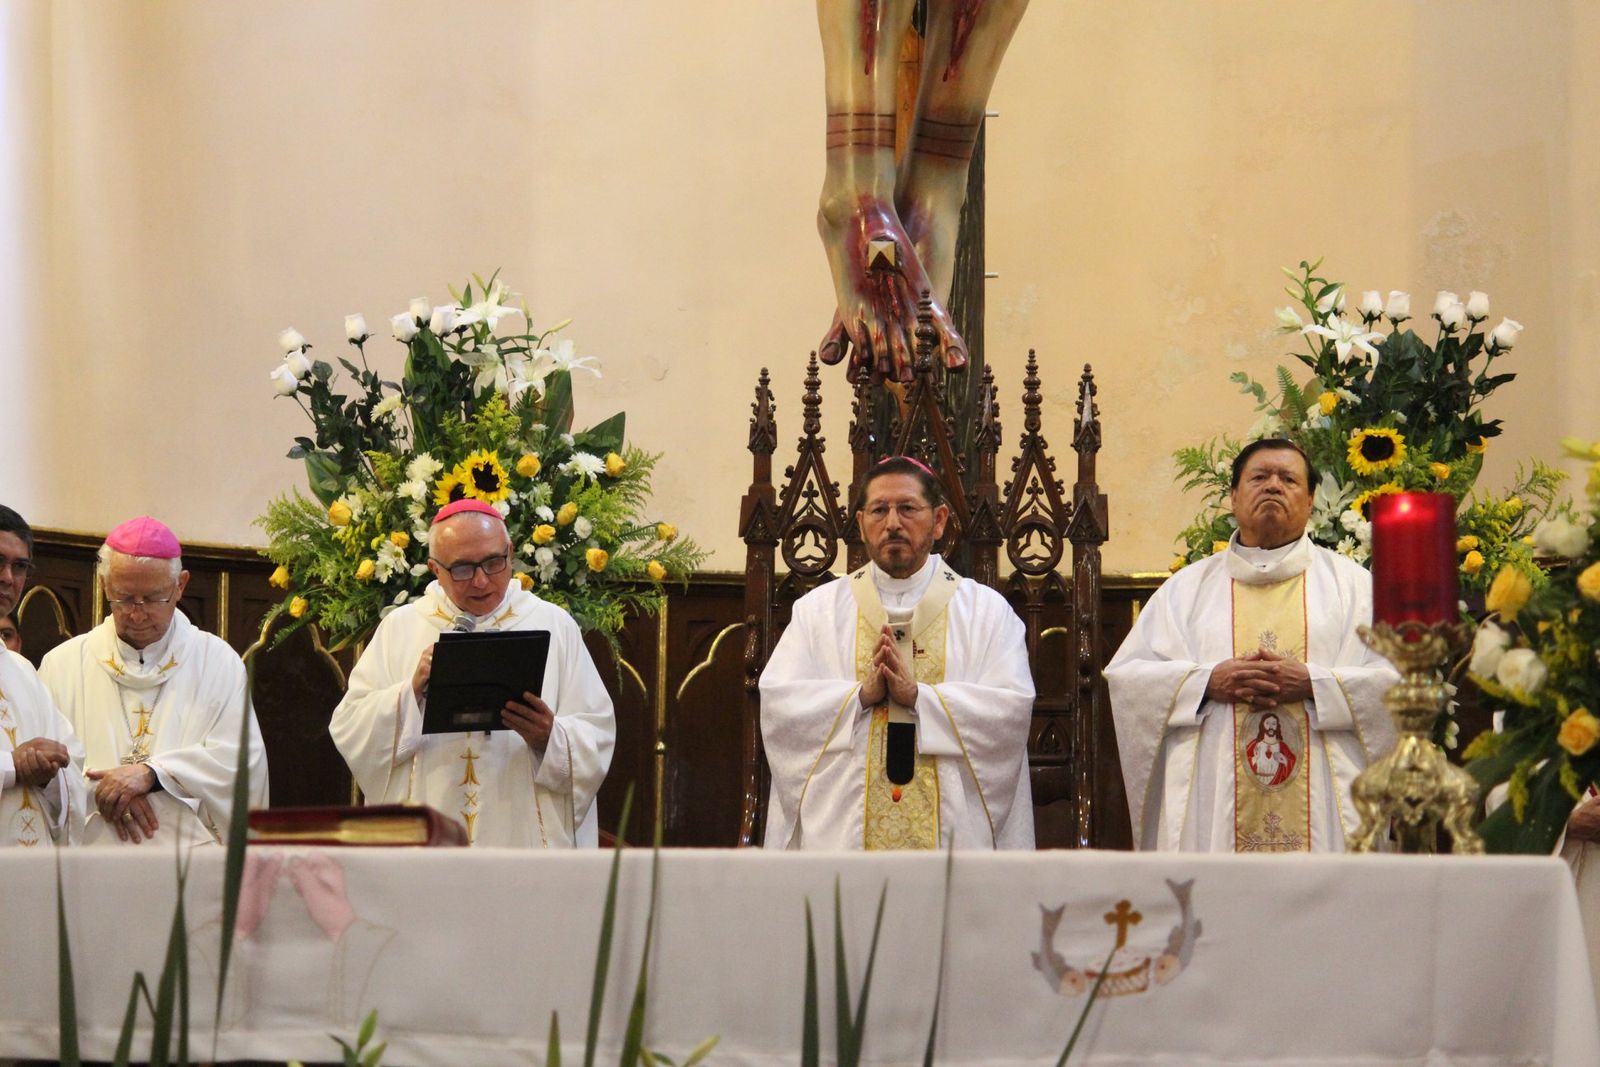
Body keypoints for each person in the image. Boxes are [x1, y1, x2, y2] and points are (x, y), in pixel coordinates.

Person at [1105, 439, 1399, 852]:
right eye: (1259, 477)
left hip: (1328, 815)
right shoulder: (1185, 591)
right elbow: (1130, 681)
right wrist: (1208, 682)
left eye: (1289, 478)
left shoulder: (1356, 590)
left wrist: (1315, 684)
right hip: (1215, 809)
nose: (1273, 485)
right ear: (1233, 497)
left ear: (1311, 500)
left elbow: (1398, 686)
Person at [760, 456, 1035, 850]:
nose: (892, 523)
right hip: (842, 835)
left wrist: (921, 697)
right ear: (860, 524)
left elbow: (1009, 711)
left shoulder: (986, 612)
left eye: (907, 508)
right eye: (879, 510)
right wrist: (860, 696)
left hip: (952, 840)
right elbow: (781, 706)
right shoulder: (818, 611)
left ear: (939, 520)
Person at [329, 499, 615, 847]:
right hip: (428, 837)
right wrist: (410, 693)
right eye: (463, 568)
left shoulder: (554, 625)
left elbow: (597, 733)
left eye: (494, 563)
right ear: (435, 569)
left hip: (520, 839)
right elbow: (349, 728)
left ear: (510, 553)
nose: (481, 581)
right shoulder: (400, 628)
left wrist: (550, 737)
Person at [40, 517, 268, 846]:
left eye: (154, 598)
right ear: (105, 585)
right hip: (92, 859)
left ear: (180, 586)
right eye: (125, 598)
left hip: (189, 860)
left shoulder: (217, 662)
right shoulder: (63, 664)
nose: (137, 613)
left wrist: (154, 775)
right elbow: (45, 768)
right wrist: (110, 792)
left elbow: (241, 763)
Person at [0, 504, 87, 846]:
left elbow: (72, 766)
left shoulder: (22, 671)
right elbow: (17, 765)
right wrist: (13, 767)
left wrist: (50, 772)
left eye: (19, 566)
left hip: (33, 873)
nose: (8, 577)